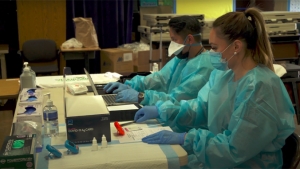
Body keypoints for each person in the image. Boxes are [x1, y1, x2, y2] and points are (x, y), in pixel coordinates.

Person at [137, 8, 295, 168]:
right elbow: (200, 107)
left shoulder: (259, 87)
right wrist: (163, 109)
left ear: (236, 47)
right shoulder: (223, 75)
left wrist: (186, 139)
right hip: (220, 157)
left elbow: (235, 149)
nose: (211, 53)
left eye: (214, 47)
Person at [103, 16, 214, 106]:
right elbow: (159, 78)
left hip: (185, 126)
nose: (172, 44)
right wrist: (130, 84)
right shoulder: (181, 59)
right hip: (167, 114)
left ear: (189, 39)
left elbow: (178, 99)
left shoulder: (204, 67)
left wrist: (141, 96)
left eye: (174, 39)